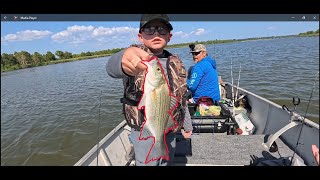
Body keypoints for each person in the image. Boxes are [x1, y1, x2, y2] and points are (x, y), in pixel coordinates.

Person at [106, 14, 193, 166]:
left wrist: (187, 124)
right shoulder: (134, 57)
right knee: (147, 163)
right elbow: (112, 68)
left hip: (170, 129)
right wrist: (122, 59)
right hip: (143, 129)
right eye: (150, 29)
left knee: (167, 161)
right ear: (140, 36)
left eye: (162, 29)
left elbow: (182, 98)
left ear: (169, 36)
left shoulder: (176, 62)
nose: (156, 34)